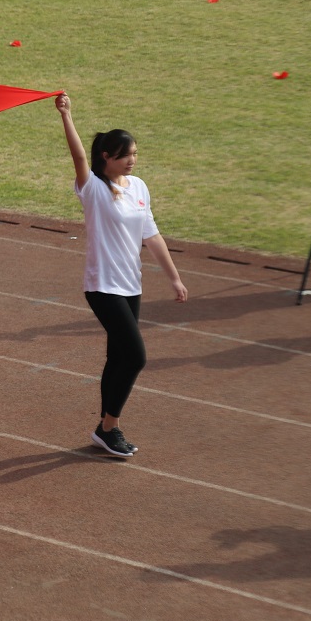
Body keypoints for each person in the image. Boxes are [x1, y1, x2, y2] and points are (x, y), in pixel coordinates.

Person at [55, 93, 187, 457]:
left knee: (117, 357)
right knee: (135, 356)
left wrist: (174, 278)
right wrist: (66, 115)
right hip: (102, 286)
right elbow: (78, 158)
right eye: (126, 155)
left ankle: (105, 427)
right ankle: (109, 426)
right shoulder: (93, 189)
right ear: (106, 157)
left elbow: (152, 235)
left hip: (131, 285)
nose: (132, 160)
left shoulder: (139, 187)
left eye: (135, 154)